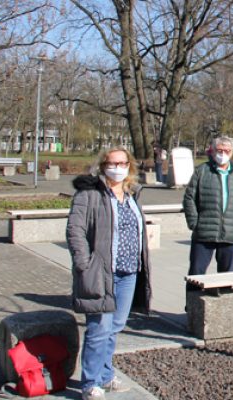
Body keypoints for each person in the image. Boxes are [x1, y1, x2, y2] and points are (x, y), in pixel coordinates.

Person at [66, 146, 152, 400]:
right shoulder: (89, 194)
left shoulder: (130, 194)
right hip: (101, 272)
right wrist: (85, 263)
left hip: (128, 271)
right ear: (103, 166)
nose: (118, 167)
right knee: (99, 329)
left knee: (115, 327)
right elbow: (75, 230)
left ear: (130, 166)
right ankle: (90, 382)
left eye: (123, 162)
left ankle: (105, 374)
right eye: (113, 163)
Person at [183, 136, 233, 284]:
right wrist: (194, 223)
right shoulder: (202, 171)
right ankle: (192, 306)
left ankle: (222, 305)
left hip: (230, 233)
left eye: (227, 151)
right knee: (196, 274)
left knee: (226, 277)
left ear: (232, 153)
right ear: (213, 151)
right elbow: (189, 198)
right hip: (204, 233)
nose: (223, 154)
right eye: (220, 150)